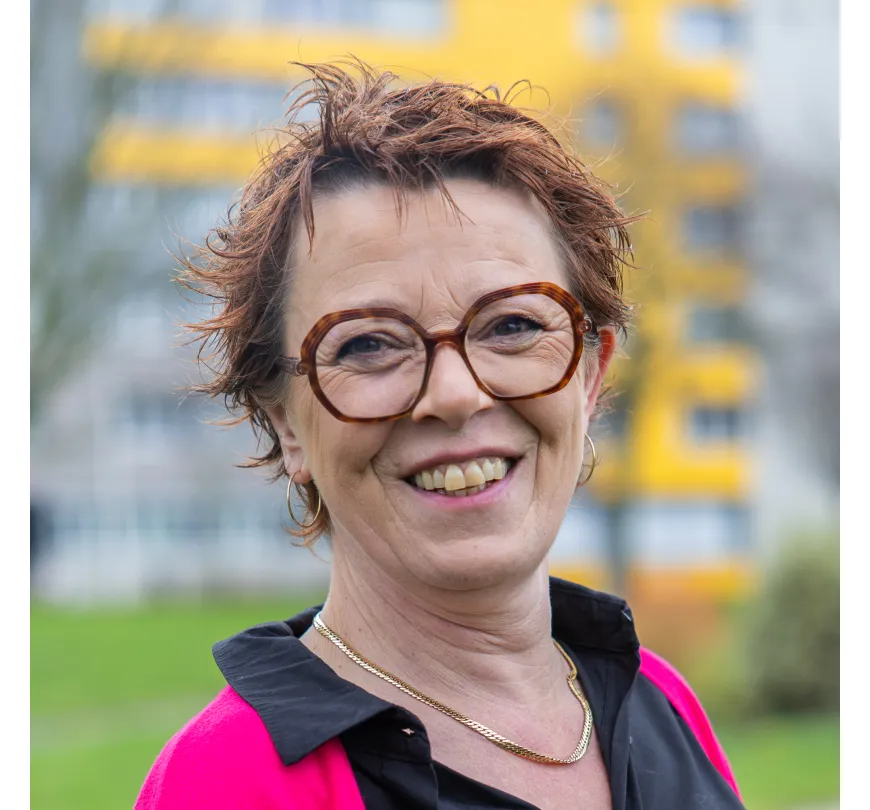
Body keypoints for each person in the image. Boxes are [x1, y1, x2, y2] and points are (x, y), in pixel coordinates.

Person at [136, 60, 743, 810]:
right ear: (286, 421)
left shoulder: (659, 703)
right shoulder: (230, 782)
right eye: (368, 344)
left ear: (589, 377)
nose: (455, 395)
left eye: (512, 325)